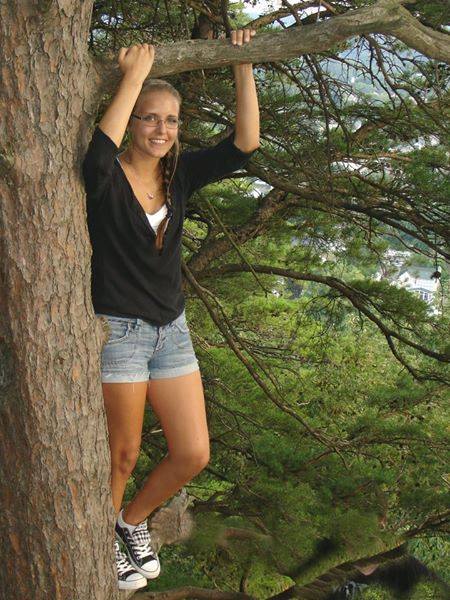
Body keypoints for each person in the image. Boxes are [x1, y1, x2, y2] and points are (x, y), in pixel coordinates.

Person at [82, 28, 260, 591]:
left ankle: (130, 521)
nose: (161, 130)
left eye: (172, 121)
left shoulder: (178, 175)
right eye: (150, 119)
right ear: (131, 121)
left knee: (193, 453)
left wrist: (245, 63)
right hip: (120, 330)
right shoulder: (106, 177)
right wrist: (135, 75)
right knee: (123, 454)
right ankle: (96, 545)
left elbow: (245, 144)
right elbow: (98, 153)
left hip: (171, 330)